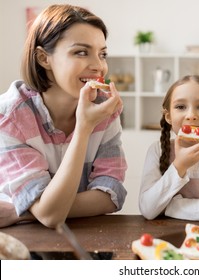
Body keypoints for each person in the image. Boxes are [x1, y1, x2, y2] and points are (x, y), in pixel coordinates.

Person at [0, 4, 127, 228]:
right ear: (43, 58)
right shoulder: (10, 117)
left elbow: (111, 195)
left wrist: (24, 212)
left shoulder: (105, 108)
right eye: (81, 52)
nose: (99, 66)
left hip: (76, 234)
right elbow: (50, 217)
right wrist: (84, 128)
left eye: (102, 54)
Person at [139, 75, 199, 222]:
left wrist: (167, 207)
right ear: (168, 116)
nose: (191, 115)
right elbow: (147, 209)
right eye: (181, 107)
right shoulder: (157, 151)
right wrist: (180, 165)